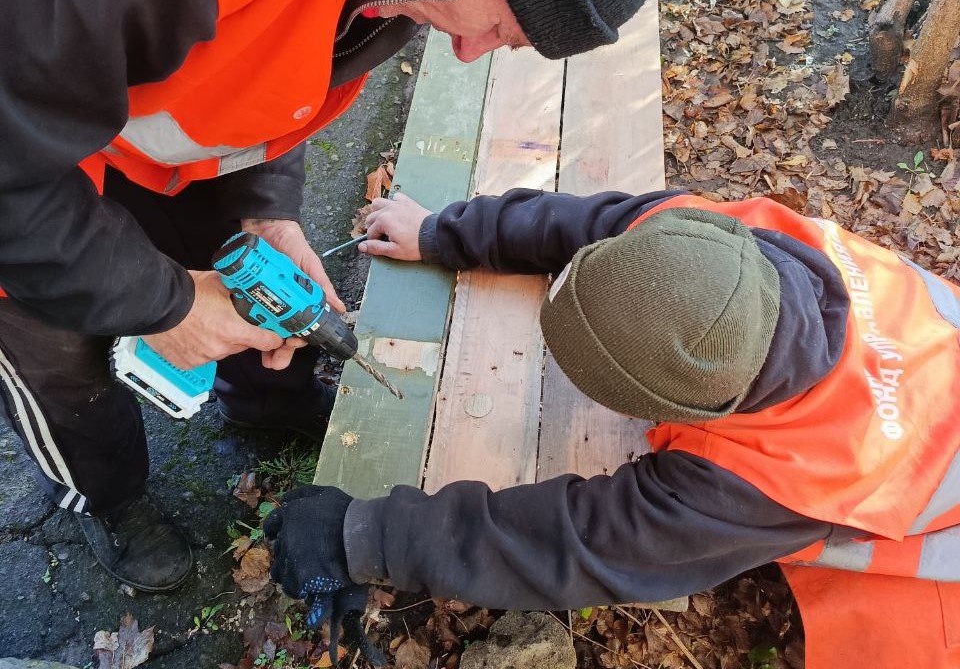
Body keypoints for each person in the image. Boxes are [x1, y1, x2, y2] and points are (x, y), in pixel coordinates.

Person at [0, 0, 713, 592]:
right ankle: (107, 499)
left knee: (211, 253)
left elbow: (276, 55)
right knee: (50, 337)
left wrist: (265, 205)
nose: (469, 52)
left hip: (90, 70)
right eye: (502, 28)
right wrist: (164, 303)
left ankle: (261, 405)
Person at [266, 188, 960, 669]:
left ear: (690, 411)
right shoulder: (714, 243)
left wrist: (359, 535)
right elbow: (587, 222)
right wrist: (443, 232)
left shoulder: (787, 471)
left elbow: (577, 546)